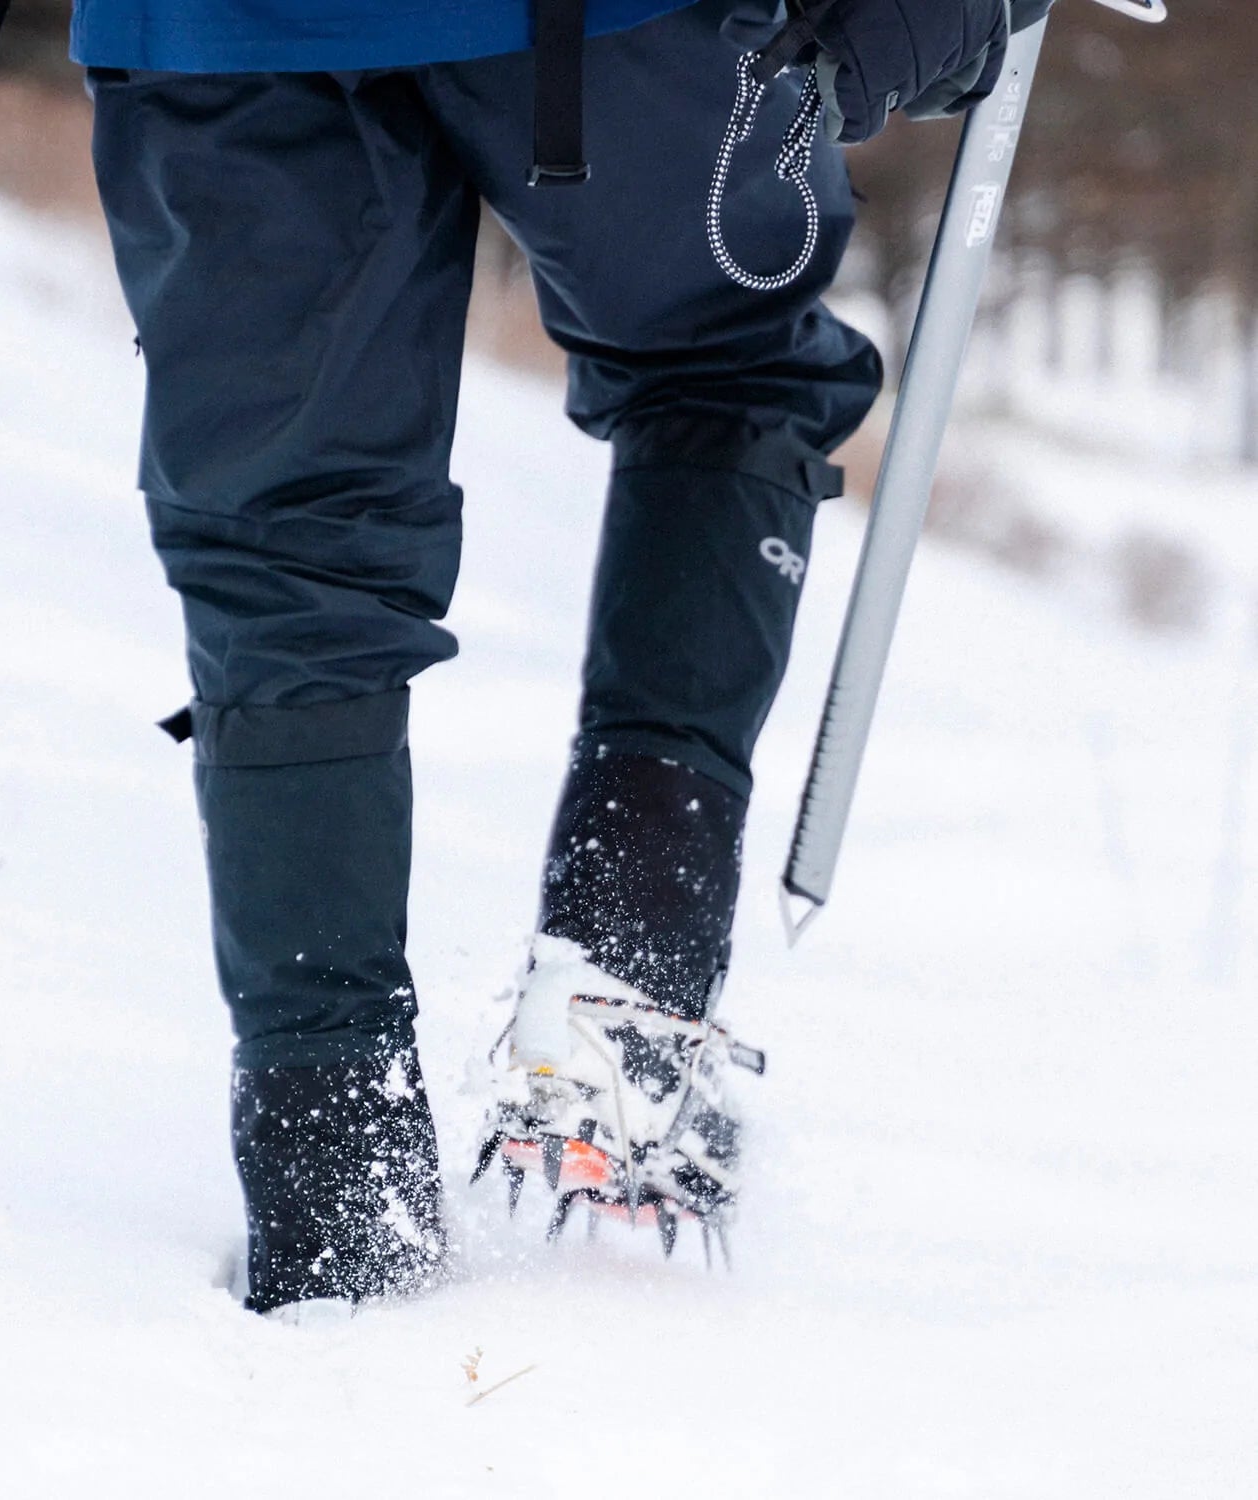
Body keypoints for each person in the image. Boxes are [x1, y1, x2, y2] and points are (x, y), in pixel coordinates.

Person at [71, 0, 1021, 1314]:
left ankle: (334, 1185)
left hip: (216, 30)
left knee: (284, 550)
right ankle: (623, 990)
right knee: (721, 366)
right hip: (611, 35)